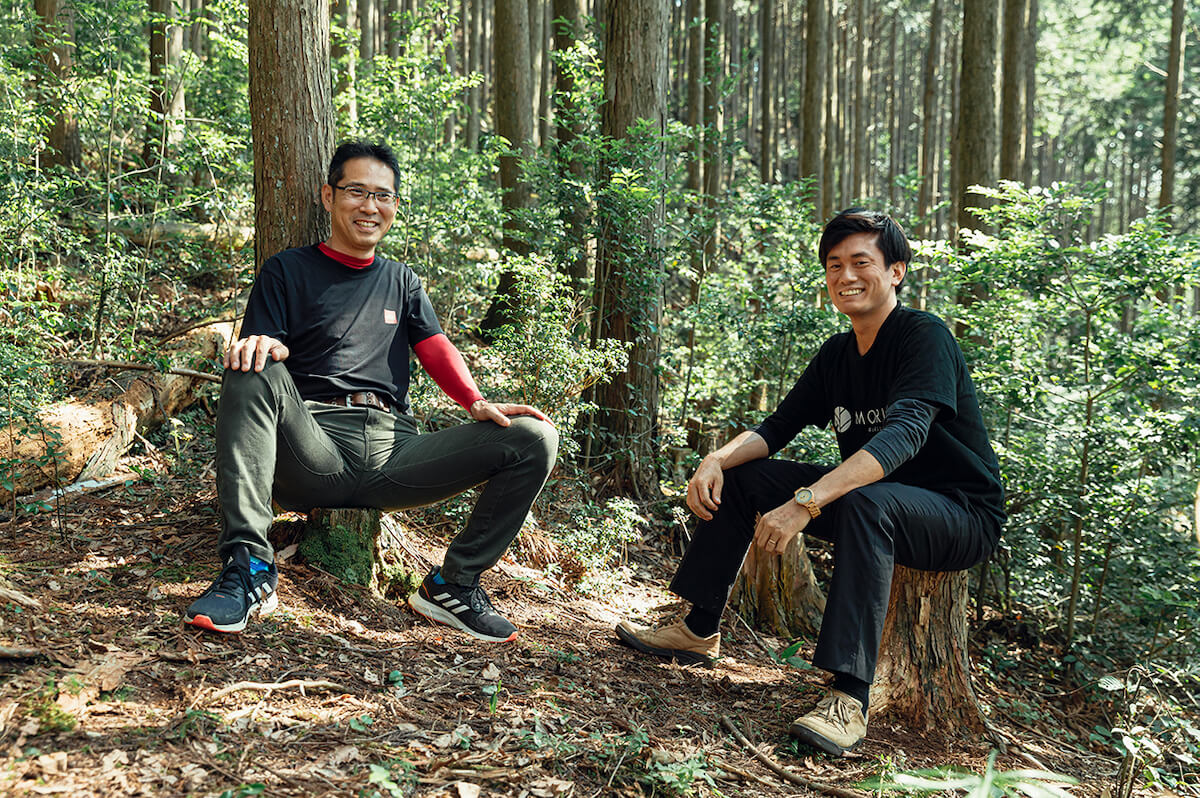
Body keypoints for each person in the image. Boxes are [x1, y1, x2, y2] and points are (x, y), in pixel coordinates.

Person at [615, 209, 1005, 755]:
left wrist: (807, 501)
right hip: (877, 502)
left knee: (870, 503)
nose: (846, 275)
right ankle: (698, 630)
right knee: (745, 477)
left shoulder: (924, 337)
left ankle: (849, 697)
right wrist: (716, 458)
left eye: (861, 262)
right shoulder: (837, 355)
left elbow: (905, 434)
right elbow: (776, 428)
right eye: (834, 264)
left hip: (959, 513)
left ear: (896, 271)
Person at [183, 141, 558, 643]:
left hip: (394, 455)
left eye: (383, 196)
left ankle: (454, 585)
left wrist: (474, 400)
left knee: (535, 436)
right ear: (329, 196)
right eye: (356, 191)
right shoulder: (287, 270)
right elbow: (262, 344)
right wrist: (263, 344)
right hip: (313, 448)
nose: (370, 206)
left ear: (395, 205)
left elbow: (435, 347)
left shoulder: (402, 280)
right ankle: (249, 568)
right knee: (251, 367)